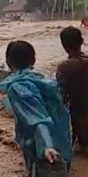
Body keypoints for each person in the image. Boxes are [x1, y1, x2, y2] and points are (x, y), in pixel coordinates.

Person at [0, 41, 72, 177]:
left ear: (8, 63)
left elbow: (37, 119)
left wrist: (46, 145)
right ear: (33, 60)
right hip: (62, 140)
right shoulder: (46, 81)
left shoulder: (18, 88)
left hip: (41, 147)